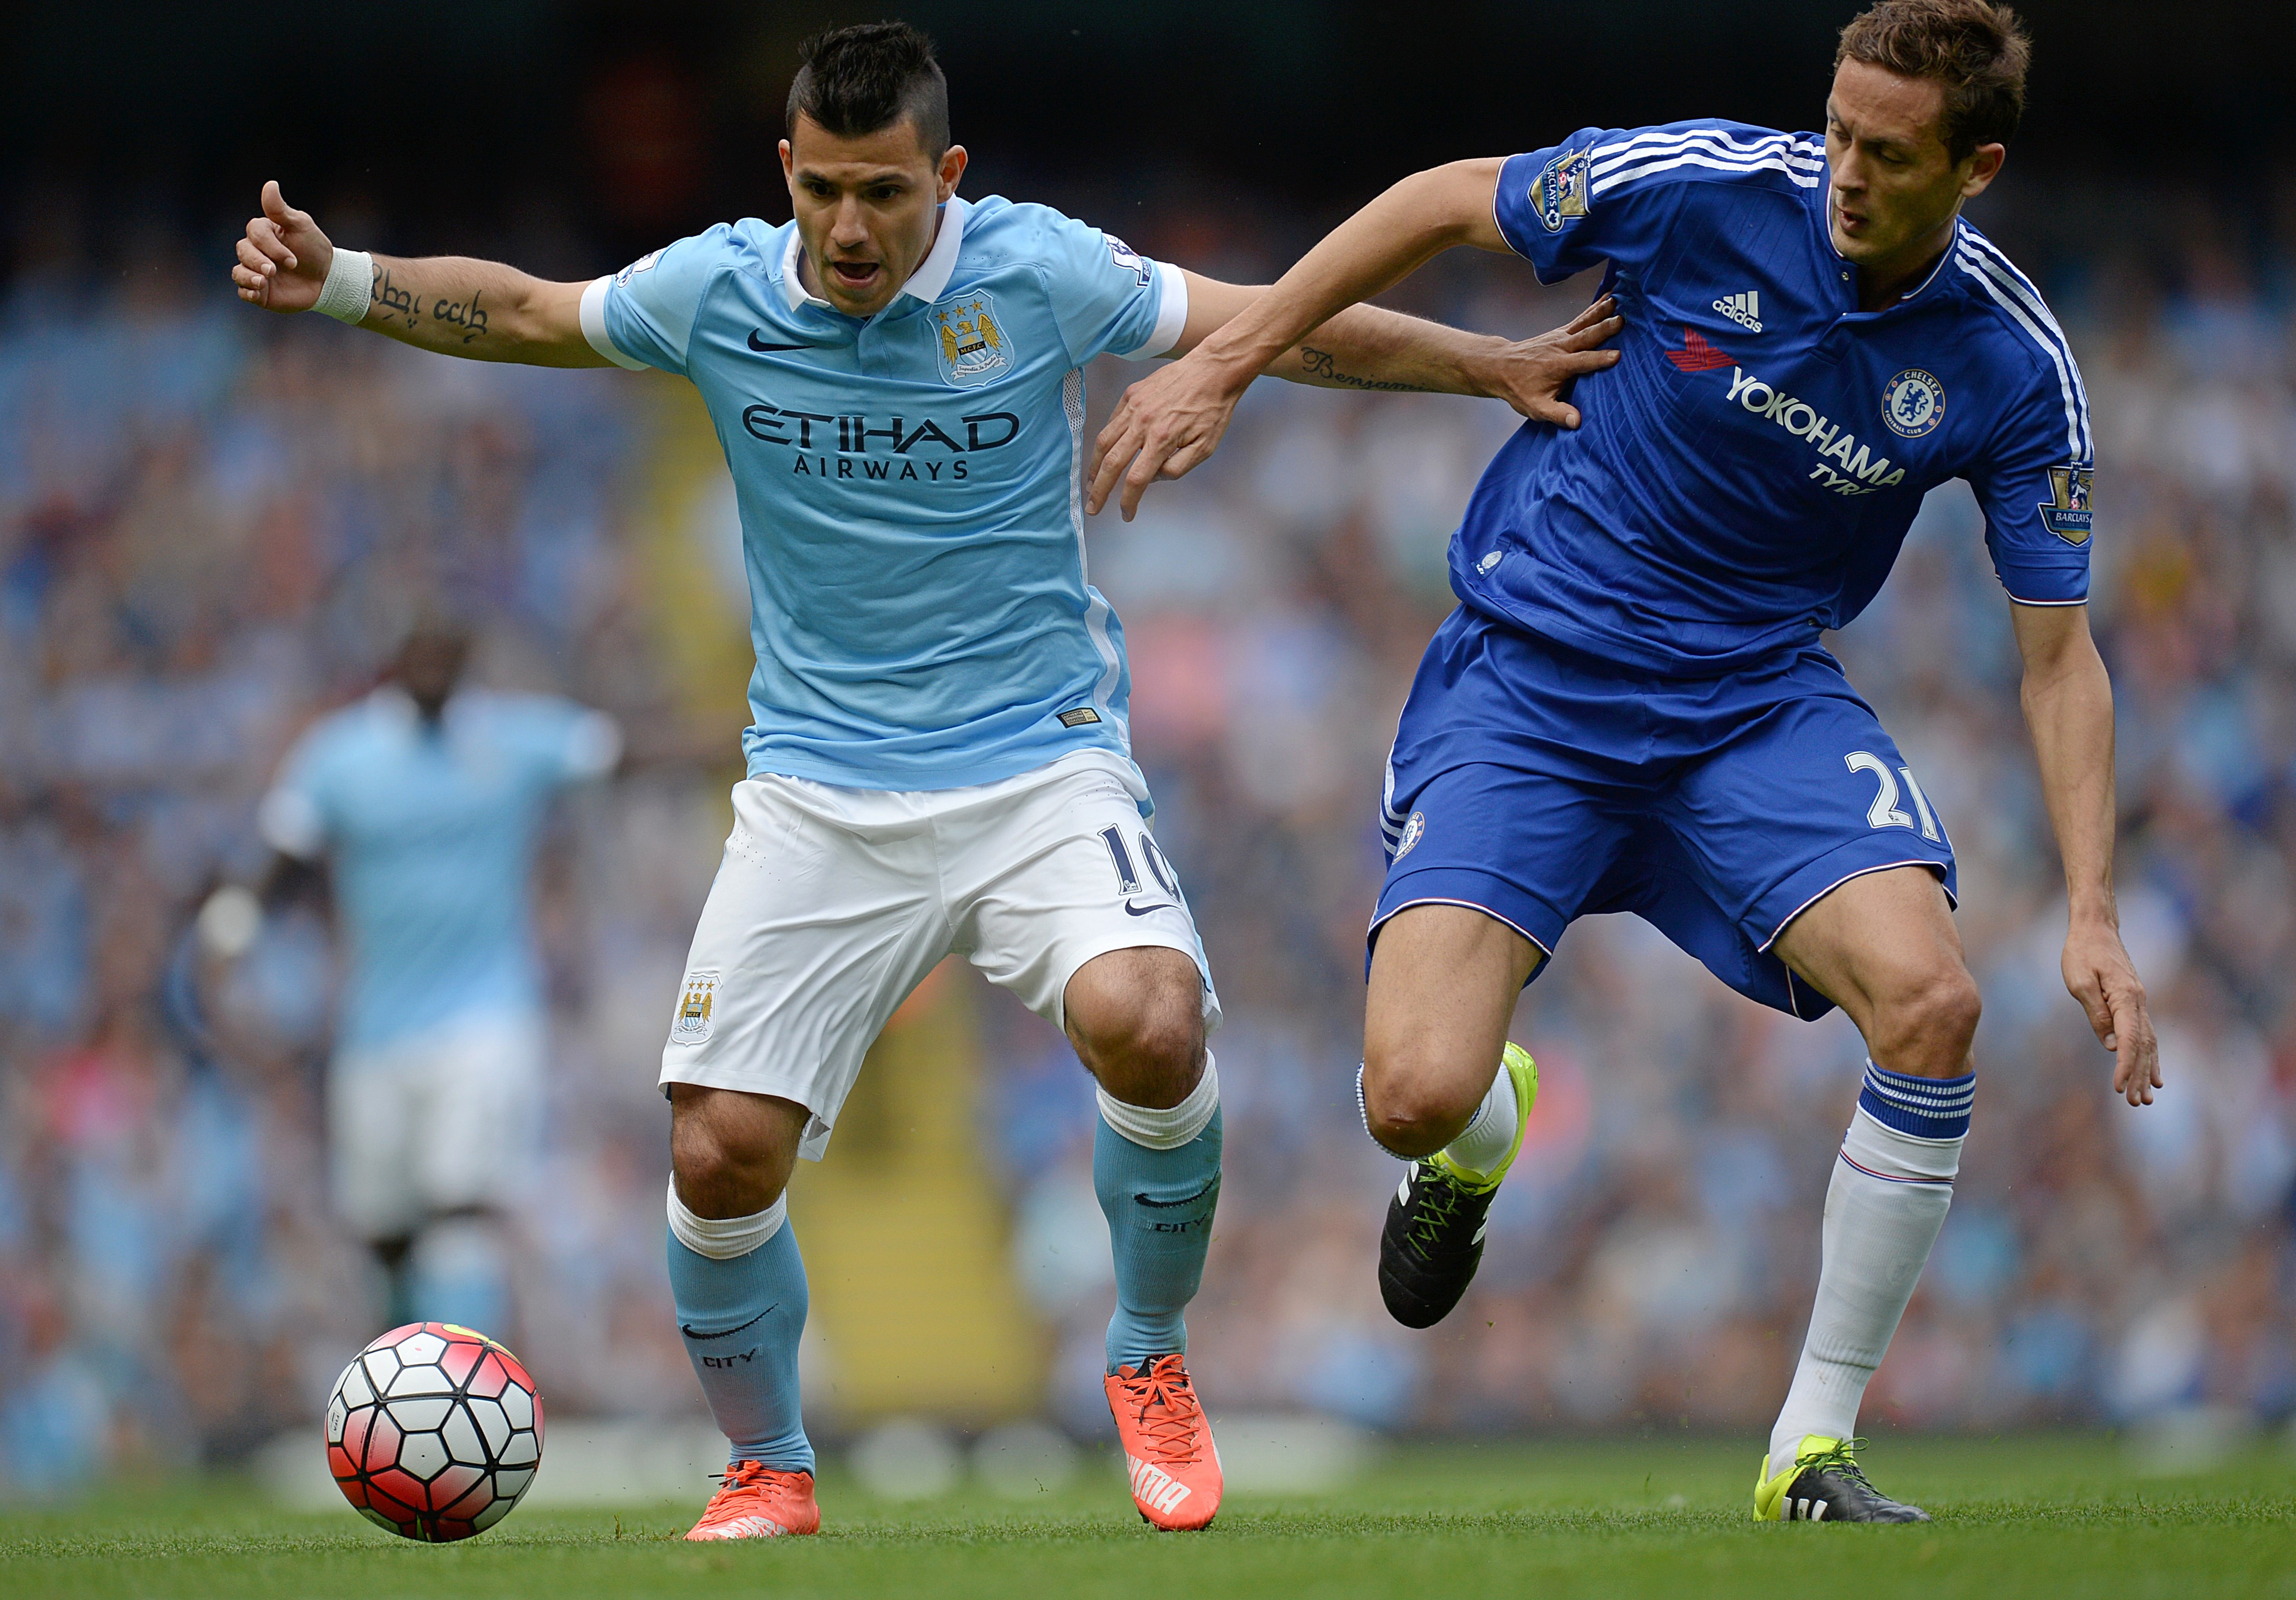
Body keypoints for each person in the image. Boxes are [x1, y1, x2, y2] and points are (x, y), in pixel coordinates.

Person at [230, 21, 1615, 1538]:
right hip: (819, 791)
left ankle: (1146, 1361)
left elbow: (1272, 325)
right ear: (783, 174)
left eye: (882, 192)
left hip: (1038, 767)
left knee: (1147, 1022)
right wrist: (343, 281)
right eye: (820, 189)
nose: (846, 227)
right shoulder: (719, 290)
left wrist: (1480, 363)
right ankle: (768, 1464)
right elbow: (526, 312)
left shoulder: (1040, 274)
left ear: (945, 178)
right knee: (715, 1145)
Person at [1087, 0, 2159, 1522]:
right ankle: (1475, 1141)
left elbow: (2057, 652)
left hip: (1749, 707)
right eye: (1838, 130)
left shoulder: (2005, 360)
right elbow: (1443, 198)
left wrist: (2092, 904)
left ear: (1972, 167)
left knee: (1931, 1003)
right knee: (1405, 1093)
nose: (1843, 172)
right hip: (1531, 681)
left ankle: (1809, 1445)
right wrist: (1237, 360)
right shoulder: (1706, 185)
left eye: (1888, 153)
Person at [207, 620, 621, 1341]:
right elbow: (282, 851)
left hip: (486, 1014)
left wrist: (770, 739)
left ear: (467, 660)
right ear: (393, 661)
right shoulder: (340, 756)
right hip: (376, 1025)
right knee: (385, 1233)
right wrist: (230, 927)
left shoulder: (511, 738)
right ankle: (402, 1401)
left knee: (462, 1210)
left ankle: (464, 1396)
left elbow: (623, 750)